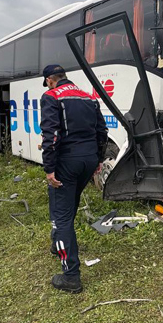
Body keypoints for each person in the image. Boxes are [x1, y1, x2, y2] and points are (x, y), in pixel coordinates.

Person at [40, 65, 108, 293]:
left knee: (62, 217)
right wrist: (98, 158)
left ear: (50, 80)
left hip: (66, 161)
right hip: (88, 160)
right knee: (67, 202)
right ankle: (56, 243)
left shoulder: (51, 97)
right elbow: (102, 132)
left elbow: (51, 135)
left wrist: (49, 168)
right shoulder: (88, 97)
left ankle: (71, 276)